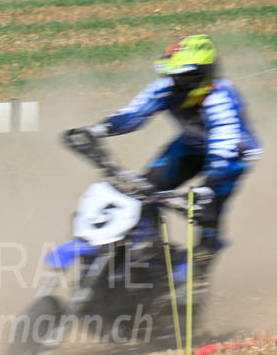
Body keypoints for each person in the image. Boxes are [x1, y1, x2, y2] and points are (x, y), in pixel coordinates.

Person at [75, 34, 261, 275]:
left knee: (209, 209)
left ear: (204, 74)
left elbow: (225, 143)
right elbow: (134, 113)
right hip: (190, 146)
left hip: (232, 157)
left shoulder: (220, 98)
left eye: (185, 76)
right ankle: (152, 252)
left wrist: (207, 189)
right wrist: (99, 130)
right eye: (174, 76)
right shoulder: (168, 87)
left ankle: (199, 269)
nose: (178, 82)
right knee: (145, 190)